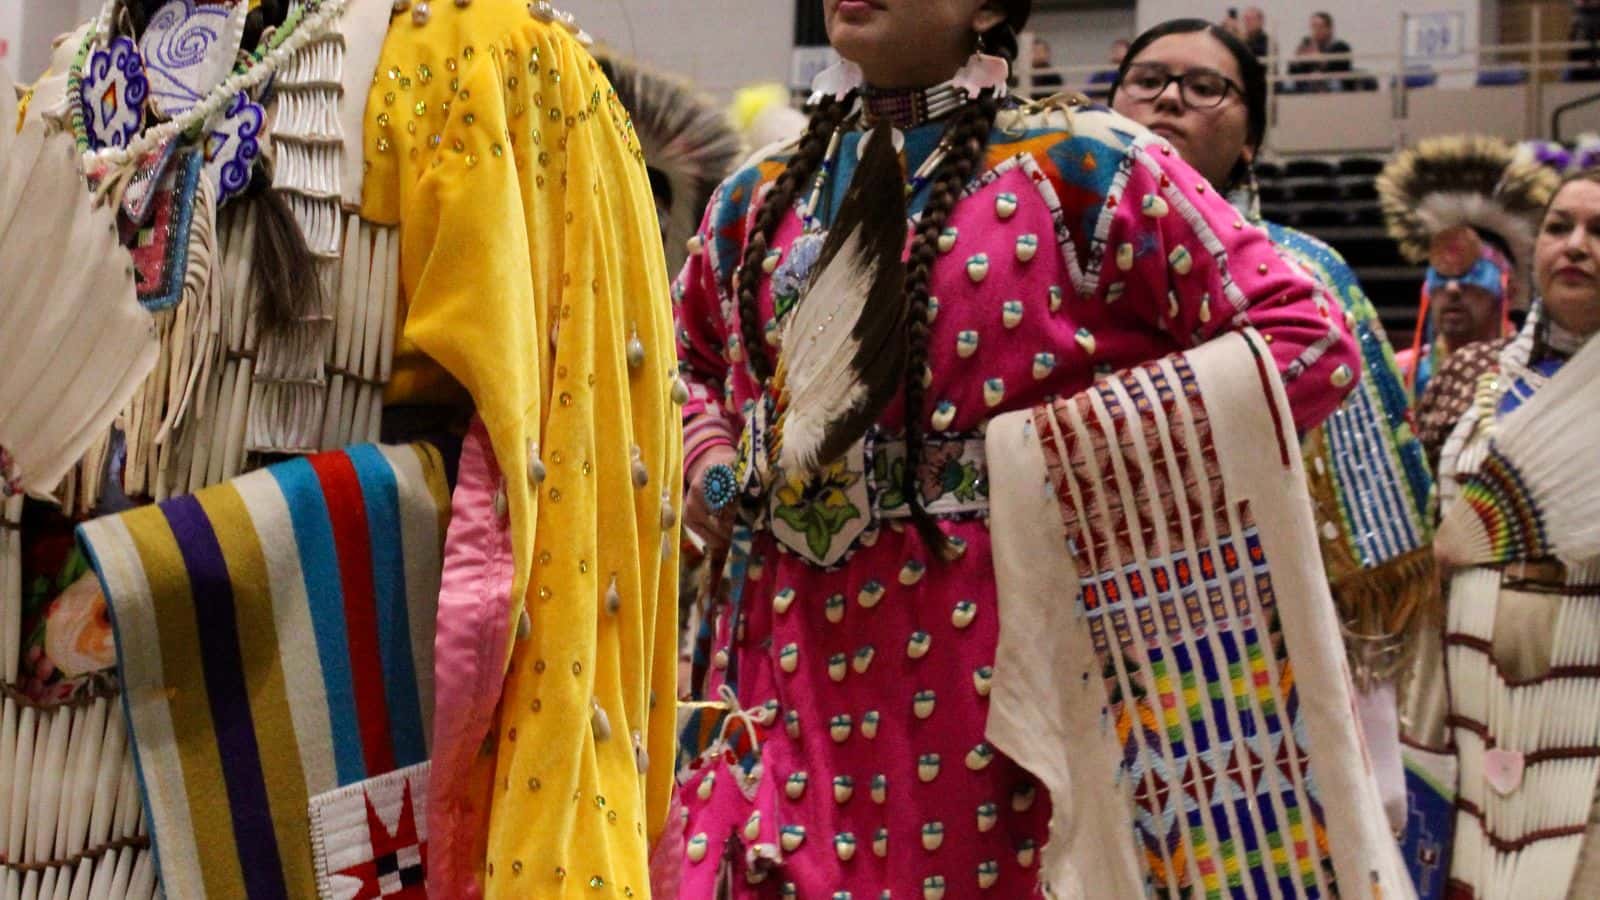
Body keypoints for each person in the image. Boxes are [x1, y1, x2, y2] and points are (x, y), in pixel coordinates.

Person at [670, 0, 1384, 893]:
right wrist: (706, 457)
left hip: (1009, 680)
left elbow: (1308, 343)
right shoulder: (758, 195)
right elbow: (680, 362)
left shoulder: (1088, 167)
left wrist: (1052, 466)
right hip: (782, 669)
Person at [4, 0, 683, 896]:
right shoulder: (65, 88)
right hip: (38, 807)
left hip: (309, 797)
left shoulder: (486, 68)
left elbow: (565, 521)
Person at [1110, 16, 1435, 834]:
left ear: (1250, 138)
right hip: (1062, 627)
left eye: (1205, 87)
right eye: (1147, 80)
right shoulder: (1039, 259)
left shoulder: (1305, 275)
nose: (1170, 99)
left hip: (1253, 647)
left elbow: (1374, 535)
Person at [1405, 168, 1600, 899]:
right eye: (1559, 228)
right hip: (1464, 712)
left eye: (1598, 232)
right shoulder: (1471, 376)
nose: (1575, 246)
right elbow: (1420, 531)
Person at [1377, 136, 1559, 468]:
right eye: (1442, 278)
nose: (1455, 289)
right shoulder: (1398, 374)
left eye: (1473, 274)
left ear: (1510, 286)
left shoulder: (1534, 373)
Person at [1288, 11, 1352, 92]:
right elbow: (1293, 72)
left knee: (1334, 83)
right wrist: (1297, 61)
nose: (1316, 31)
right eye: (1313, 27)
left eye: (1319, 27)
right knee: (1288, 84)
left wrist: (1318, 57)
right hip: (1309, 85)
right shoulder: (1307, 45)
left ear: (1329, 29)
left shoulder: (1341, 46)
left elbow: (1339, 69)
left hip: (1331, 84)